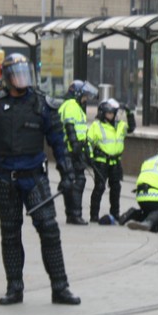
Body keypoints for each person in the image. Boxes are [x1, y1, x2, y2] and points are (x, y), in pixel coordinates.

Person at [0, 53, 80, 306]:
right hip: (5, 178)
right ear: (7, 78)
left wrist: (68, 173)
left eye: (24, 74)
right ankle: (14, 288)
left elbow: (58, 143)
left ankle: (60, 287)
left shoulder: (42, 104)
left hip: (35, 178)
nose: (21, 79)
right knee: (10, 233)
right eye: (16, 75)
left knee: (49, 229)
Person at [87, 97, 135, 223]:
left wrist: (129, 113)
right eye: (109, 113)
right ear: (102, 113)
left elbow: (131, 128)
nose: (112, 115)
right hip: (101, 161)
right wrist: (90, 157)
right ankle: (94, 215)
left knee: (116, 188)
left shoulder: (120, 125)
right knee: (99, 187)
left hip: (115, 162)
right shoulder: (96, 126)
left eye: (113, 113)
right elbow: (88, 143)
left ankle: (115, 213)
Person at [57, 79, 98, 225]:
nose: (86, 99)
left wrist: (88, 152)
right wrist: (75, 145)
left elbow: (82, 132)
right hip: (70, 150)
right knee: (77, 181)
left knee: (74, 181)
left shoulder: (74, 106)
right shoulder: (71, 106)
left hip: (73, 149)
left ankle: (73, 214)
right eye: (84, 95)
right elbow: (69, 126)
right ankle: (74, 215)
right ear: (77, 94)